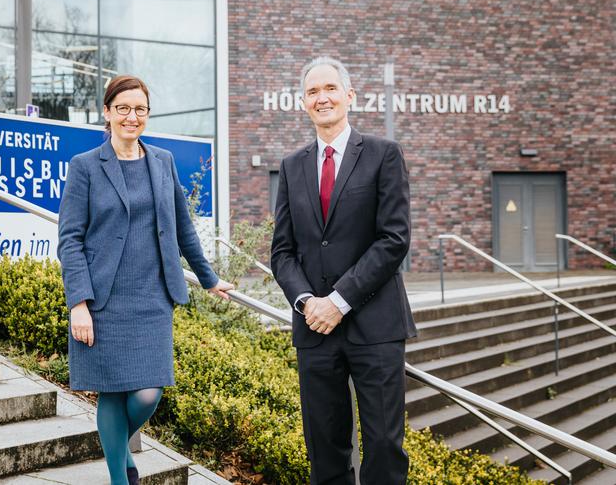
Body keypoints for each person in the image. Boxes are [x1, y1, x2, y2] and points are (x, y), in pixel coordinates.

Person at [58, 75, 233, 485]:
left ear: (147, 115)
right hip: (103, 299)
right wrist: (77, 303)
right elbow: (69, 240)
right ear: (107, 112)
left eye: (139, 109)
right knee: (112, 391)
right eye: (123, 108)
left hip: (152, 296)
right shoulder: (85, 167)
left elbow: (181, 227)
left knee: (147, 394)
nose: (131, 117)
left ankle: (120, 448)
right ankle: (122, 477)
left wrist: (208, 279)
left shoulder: (162, 161)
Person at [271, 56, 417, 485]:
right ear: (303, 103)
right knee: (324, 447)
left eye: (330, 89)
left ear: (349, 96)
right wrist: (307, 303)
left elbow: (394, 239)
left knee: (385, 447)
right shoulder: (292, 166)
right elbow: (283, 251)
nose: (323, 98)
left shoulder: (383, 155)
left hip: (376, 327)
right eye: (313, 92)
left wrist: (338, 301)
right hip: (315, 331)